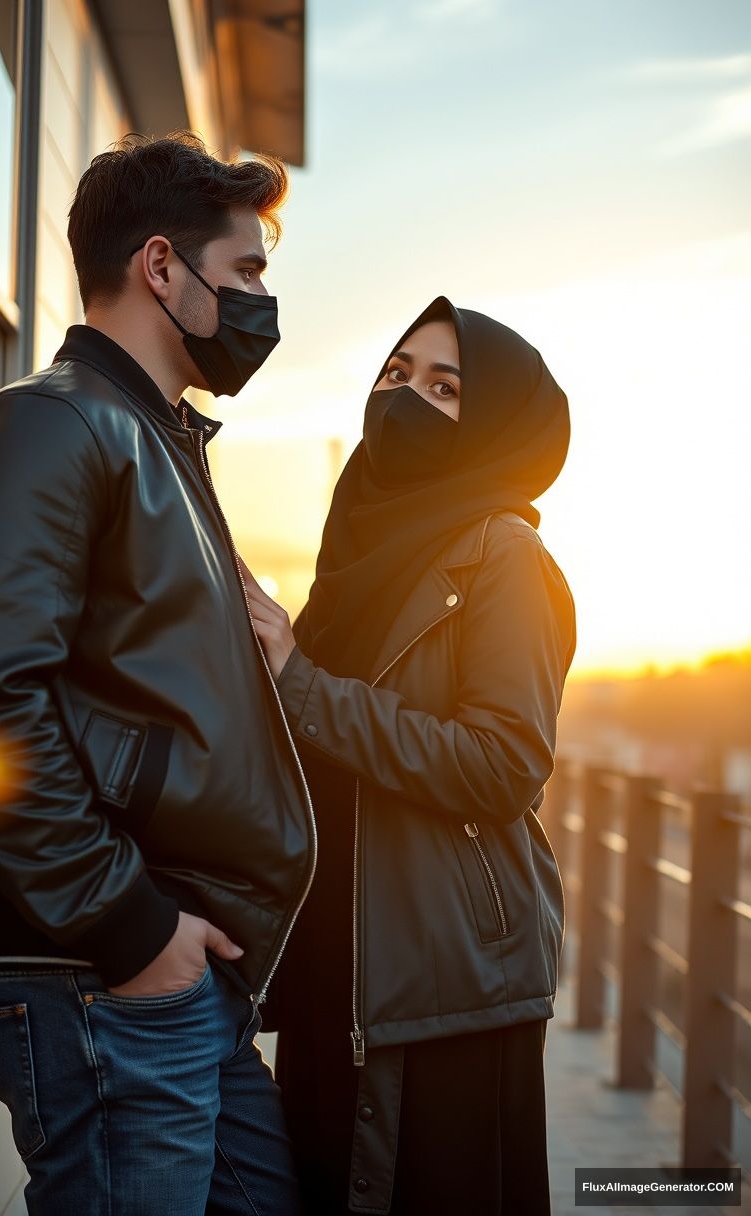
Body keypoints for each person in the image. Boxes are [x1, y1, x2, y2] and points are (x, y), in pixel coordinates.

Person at [0, 132, 315, 1216]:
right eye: (245, 274)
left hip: (163, 972)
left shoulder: (150, 437)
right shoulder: (47, 430)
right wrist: (133, 933)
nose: (258, 306)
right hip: (102, 971)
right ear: (158, 267)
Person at [242, 296, 577, 1215]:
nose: (404, 399)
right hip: (336, 967)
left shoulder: (504, 556)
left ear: (500, 420)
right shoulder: (362, 550)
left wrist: (299, 680)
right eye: (394, 375)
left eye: (443, 387)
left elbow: (503, 763)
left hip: (440, 987)